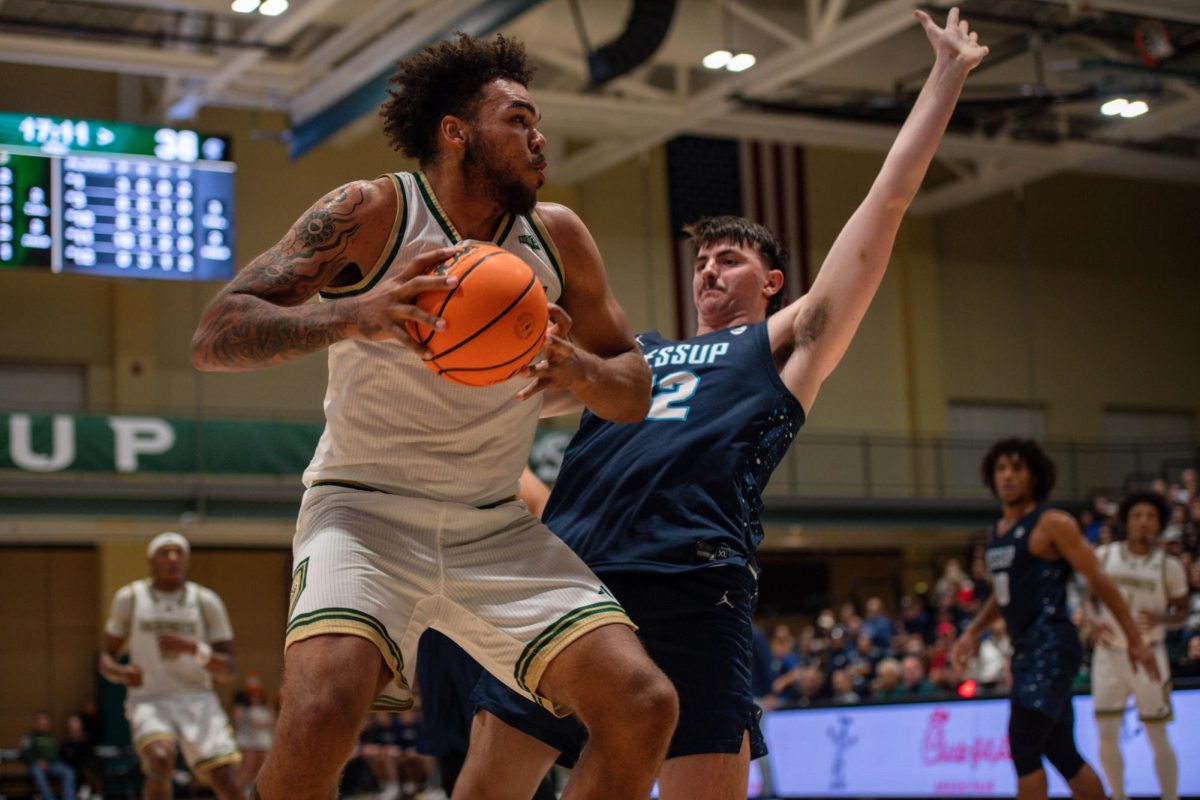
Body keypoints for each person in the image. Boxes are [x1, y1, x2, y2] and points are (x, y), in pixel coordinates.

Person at [458, 9, 989, 799]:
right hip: (572, 578)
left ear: (772, 283)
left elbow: (884, 209)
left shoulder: (780, 349)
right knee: (485, 786)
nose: (708, 271)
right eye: (702, 260)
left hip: (692, 585)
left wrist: (943, 82)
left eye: (730, 259)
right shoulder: (631, 358)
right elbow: (517, 399)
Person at [191, 33, 676, 800]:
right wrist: (352, 315)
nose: (539, 136)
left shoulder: (559, 236)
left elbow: (635, 391)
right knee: (322, 708)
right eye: (518, 119)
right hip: (362, 512)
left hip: (494, 524)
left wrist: (575, 368)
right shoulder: (372, 212)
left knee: (643, 705)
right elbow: (215, 334)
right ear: (457, 132)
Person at [951, 440, 1160, 800]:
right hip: (1026, 650)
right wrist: (971, 632)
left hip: (1051, 646)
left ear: (1034, 475)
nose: (1008, 476)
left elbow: (1100, 580)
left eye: (1017, 468)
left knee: (1024, 746)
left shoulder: (1052, 523)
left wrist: (1136, 640)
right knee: (1061, 752)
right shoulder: (997, 532)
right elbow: (1004, 596)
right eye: (1001, 468)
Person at [99, 532, 242, 800]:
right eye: (165, 552)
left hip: (197, 696)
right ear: (151, 560)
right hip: (150, 698)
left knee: (225, 777)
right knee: (160, 758)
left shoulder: (205, 601)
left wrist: (192, 649)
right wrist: (120, 672)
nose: (172, 558)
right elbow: (105, 659)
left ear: (187, 560)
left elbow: (229, 670)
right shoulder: (130, 597)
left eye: (179, 552)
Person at [1087, 490, 1188, 800]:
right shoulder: (1105, 555)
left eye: (1150, 516)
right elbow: (1087, 598)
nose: (1143, 522)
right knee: (1106, 733)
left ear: (1159, 523)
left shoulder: (1168, 565)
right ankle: (1118, 796)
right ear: (1126, 521)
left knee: (1157, 733)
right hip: (1109, 654)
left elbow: (1183, 611)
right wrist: (1092, 621)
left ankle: (1170, 797)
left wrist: (1162, 619)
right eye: (1137, 516)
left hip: (1150, 653)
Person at [232, 672, 274, 795]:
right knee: (247, 771)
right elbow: (237, 722)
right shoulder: (241, 708)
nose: (255, 696)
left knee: (262, 772)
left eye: (257, 693)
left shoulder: (266, 707)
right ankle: (233, 795)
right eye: (252, 694)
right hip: (248, 742)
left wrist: (261, 725)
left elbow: (273, 723)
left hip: (264, 741)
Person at [20, 711, 76, 800]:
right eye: (41, 723)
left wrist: (50, 761)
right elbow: (24, 753)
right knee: (38, 774)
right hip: (36, 765)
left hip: (52, 764)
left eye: (45, 723)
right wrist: (37, 760)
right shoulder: (29, 737)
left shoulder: (52, 738)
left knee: (68, 772)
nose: (43, 725)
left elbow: (57, 753)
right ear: (36, 724)